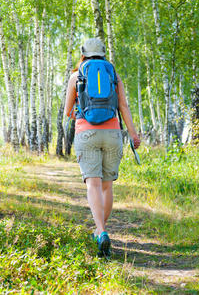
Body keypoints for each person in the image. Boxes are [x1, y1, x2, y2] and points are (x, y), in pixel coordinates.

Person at [64, 38, 141, 257]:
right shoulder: (113, 76)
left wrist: (81, 114)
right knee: (107, 186)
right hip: (113, 134)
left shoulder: (76, 76)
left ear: (83, 55)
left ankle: (101, 231)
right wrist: (133, 134)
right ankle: (100, 230)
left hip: (86, 133)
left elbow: (68, 111)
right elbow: (123, 107)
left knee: (93, 185)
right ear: (103, 54)